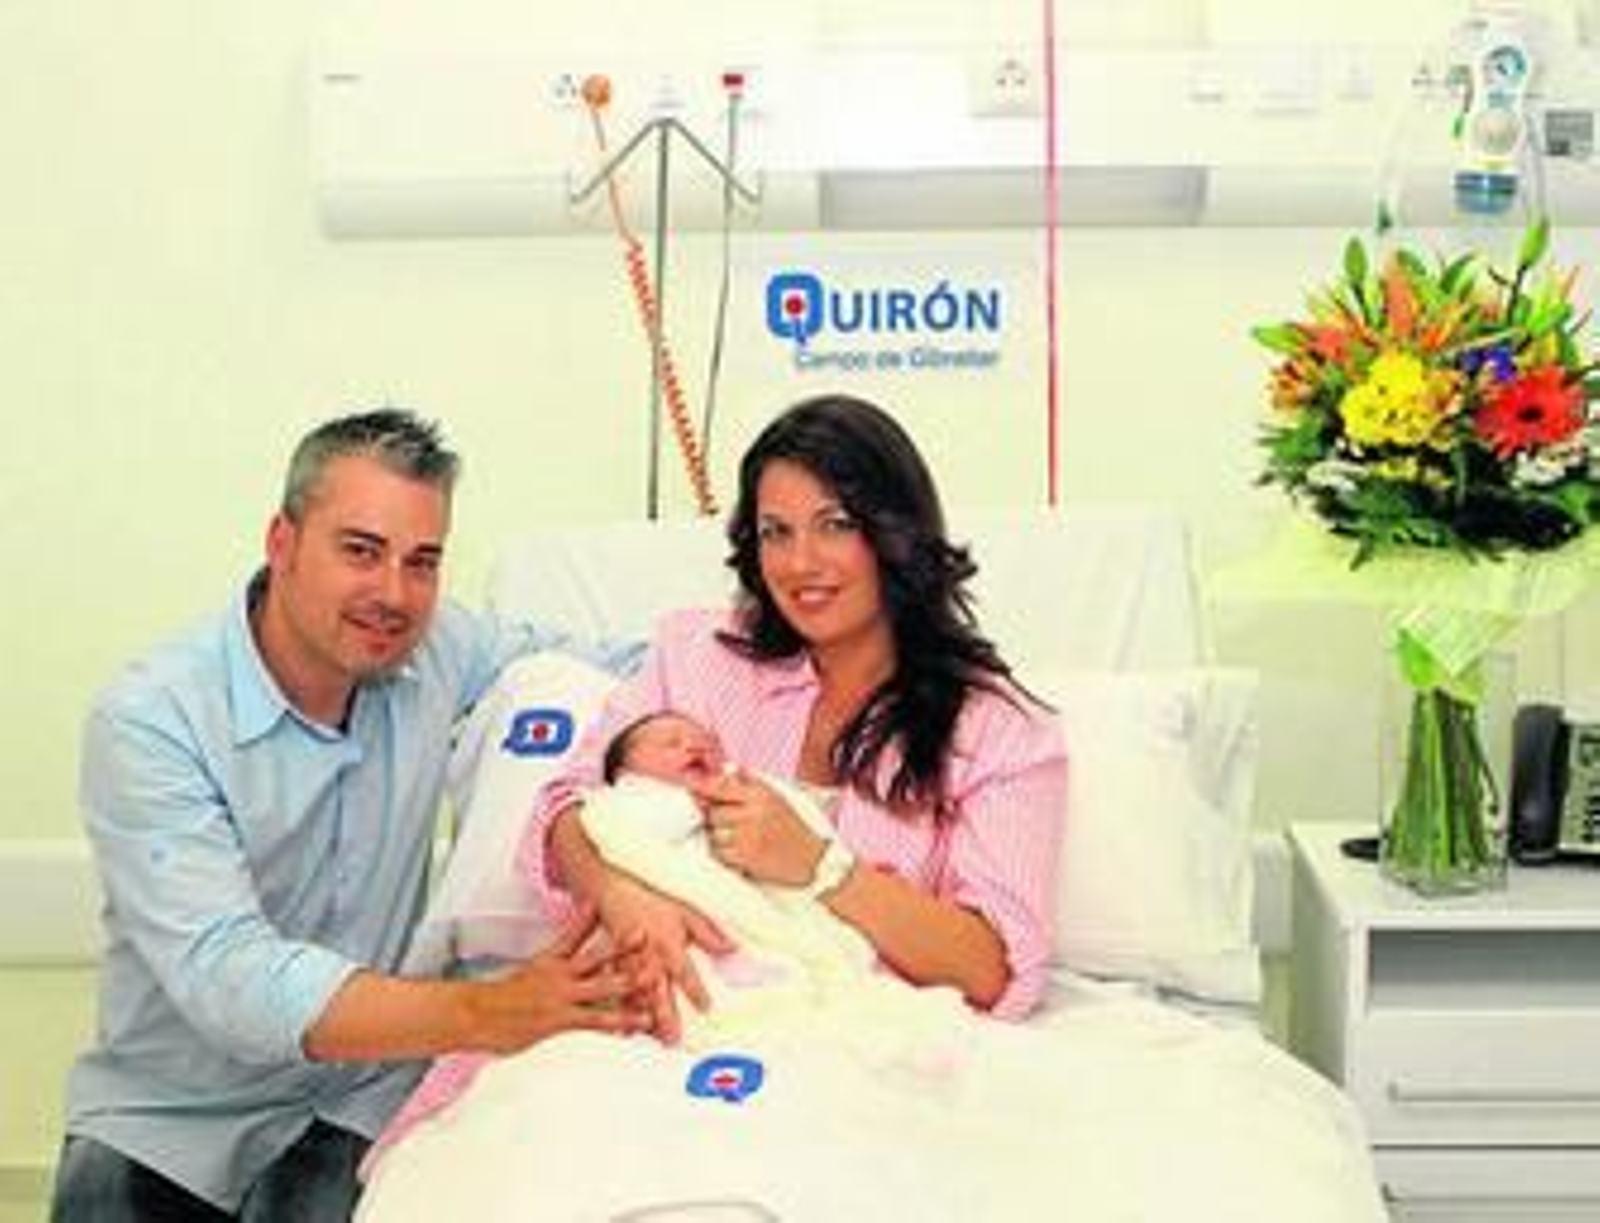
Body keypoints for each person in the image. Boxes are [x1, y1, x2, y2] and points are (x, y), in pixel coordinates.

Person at [52, 409, 651, 1223]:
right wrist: (491, 1009)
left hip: (361, 1102)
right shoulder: (150, 720)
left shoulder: (441, 649)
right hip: (175, 1119)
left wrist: (668, 719)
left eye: (423, 562)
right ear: (282, 541)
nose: (394, 595)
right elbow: (233, 978)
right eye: (361, 551)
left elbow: (616, 667)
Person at [519, 393, 1068, 1043]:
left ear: (894, 532)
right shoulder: (695, 655)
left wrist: (821, 866)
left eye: (834, 523)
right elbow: (563, 809)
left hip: (850, 1043)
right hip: (662, 1015)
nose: (800, 563)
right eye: (776, 530)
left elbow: (994, 968)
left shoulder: (998, 731)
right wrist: (620, 894)